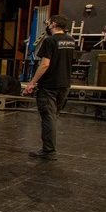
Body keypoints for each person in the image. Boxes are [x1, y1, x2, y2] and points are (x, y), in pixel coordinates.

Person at [23, 15, 76, 160]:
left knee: (48, 118)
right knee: (53, 116)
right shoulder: (71, 40)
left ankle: (48, 150)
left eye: (48, 23)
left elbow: (45, 64)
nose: (47, 25)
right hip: (64, 84)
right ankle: (49, 148)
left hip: (50, 85)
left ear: (54, 24)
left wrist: (32, 82)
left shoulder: (50, 40)